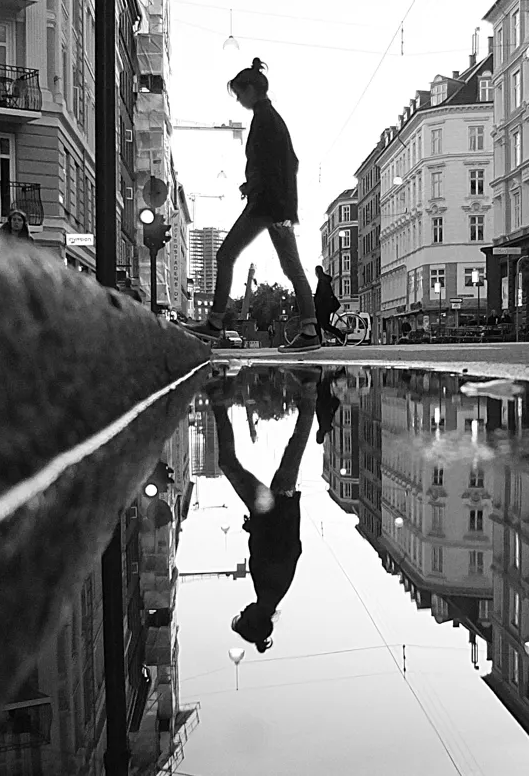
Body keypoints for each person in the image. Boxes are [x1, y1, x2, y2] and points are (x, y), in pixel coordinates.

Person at [186, 58, 320, 352]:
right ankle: (310, 329)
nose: (238, 100)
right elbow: (287, 162)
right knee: (291, 266)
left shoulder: (265, 119)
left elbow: (275, 164)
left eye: (239, 93)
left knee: (226, 255)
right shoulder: (270, 117)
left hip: (267, 206)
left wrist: (259, 187)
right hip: (276, 205)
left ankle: (215, 322)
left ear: (250, 90)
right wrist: (260, 187)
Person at [207, 369, 317, 653]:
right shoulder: (269, 590)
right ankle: (218, 399)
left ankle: (309, 392)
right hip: (272, 507)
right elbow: (286, 548)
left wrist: (258, 528)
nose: (243, 609)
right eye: (244, 615)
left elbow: (286, 549)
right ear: (254, 619)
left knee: (293, 450)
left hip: (276, 508)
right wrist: (260, 524)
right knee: (229, 464)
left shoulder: (270, 594)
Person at [314, 266, 348, 344]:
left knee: (324, 325)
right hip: (327, 305)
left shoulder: (322, 281)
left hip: (325, 307)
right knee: (320, 323)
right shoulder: (324, 280)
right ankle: (318, 340)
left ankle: (340, 335)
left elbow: (321, 295)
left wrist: (315, 300)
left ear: (317, 272)